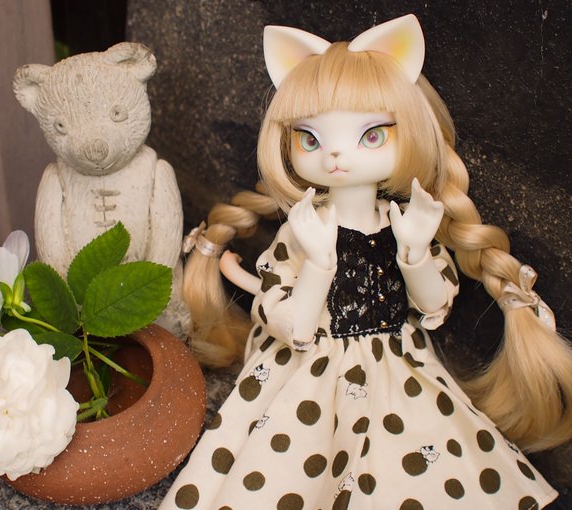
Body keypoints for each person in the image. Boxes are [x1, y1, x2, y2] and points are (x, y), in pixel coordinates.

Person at [162, 14, 570, 509]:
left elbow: (434, 307)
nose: (336, 156)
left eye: (371, 135)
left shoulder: (402, 222)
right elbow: (291, 325)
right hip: (309, 371)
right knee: (283, 470)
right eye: (310, 139)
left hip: (396, 366)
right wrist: (317, 263)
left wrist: (414, 253)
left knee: (415, 469)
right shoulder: (302, 229)